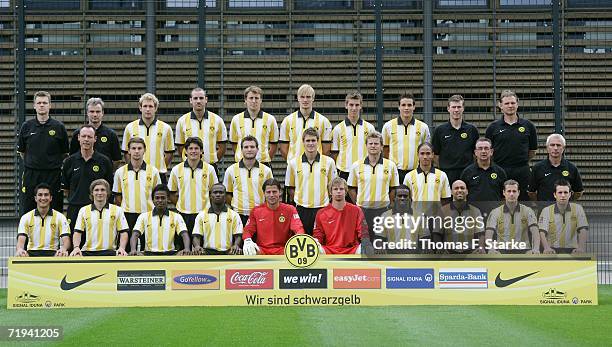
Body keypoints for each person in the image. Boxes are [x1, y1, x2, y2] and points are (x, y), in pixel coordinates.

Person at [17, 91, 69, 215]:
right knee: (29, 208)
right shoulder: (26, 126)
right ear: (34, 105)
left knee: (55, 208)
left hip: (53, 175)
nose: (42, 105)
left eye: (45, 102)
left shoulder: (59, 127)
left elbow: (64, 153)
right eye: (39, 103)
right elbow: (22, 152)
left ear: (50, 105)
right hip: (31, 174)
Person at [485, 90, 538, 201]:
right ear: (500, 106)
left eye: (513, 103)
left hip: (522, 171)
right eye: (507, 103)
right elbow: (489, 151)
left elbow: (532, 151)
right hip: (499, 170)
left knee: (524, 203)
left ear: (517, 104)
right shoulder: (492, 128)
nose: (510, 106)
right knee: (499, 202)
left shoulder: (528, 126)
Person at [113, 137, 162, 253]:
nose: (136, 151)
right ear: (128, 151)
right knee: (128, 249)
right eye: (133, 148)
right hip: (127, 215)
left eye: (139, 148)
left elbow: (158, 195)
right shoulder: (120, 172)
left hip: (148, 215)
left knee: (149, 249)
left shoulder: (153, 171)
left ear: (144, 150)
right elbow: (118, 196)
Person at [62, 124, 113, 233]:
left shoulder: (104, 161)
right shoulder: (69, 162)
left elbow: (109, 188)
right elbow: (66, 190)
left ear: (95, 139)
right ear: (78, 138)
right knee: (74, 245)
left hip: (96, 209)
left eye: (89, 137)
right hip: (75, 209)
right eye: (84, 136)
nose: (86, 139)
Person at [348, 131, 399, 240]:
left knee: (381, 242)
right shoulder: (356, 165)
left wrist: (389, 205)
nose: (373, 146)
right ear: (366, 145)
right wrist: (358, 205)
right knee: (364, 241)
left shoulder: (390, 165)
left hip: (382, 210)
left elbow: (393, 188)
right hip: (363, 210)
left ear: (381, 147)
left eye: (376, 144)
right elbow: (351, 188)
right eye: (370, 143)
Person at [285, 128, 336, 235]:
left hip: (323, 208)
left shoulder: (329, 162)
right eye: (308, 141)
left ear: (318, 141)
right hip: (302, 209)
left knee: (322, 241)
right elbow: (290, 187)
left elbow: (332, 187)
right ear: (303, 142)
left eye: (313, 140)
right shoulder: (293, 163)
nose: (311, 143)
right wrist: (301, 201)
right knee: (304, 240)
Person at [168, 136, 218, 240]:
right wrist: (180, 205)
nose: (193, 151)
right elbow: (171, 193)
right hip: (183, 215)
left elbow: (214, 192)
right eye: (190, 148)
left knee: (202, 248)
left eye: (196, 148)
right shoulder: (176, 169)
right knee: (184, 248)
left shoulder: (210, 169)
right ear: (185, 151)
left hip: (204, 214)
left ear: (201, 151)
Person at [121, 93, 174, 183]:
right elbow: (126, 153)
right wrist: (135, 167)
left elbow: (169, 153)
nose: (148, 109)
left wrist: (159, 167)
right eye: (145, 106)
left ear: (155, 108)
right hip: (136, 173)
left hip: (159, 173)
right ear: (140, 108)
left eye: (151, 106)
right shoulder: (130, 127)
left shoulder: (166, 128)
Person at [242, 179, 305, 255]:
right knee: (250, 250)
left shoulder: (290, 209)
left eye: (274, 192)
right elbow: (248, 230)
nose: (271, 195)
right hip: (262, 250)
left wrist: (299, 238)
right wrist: (247, 240)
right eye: (268, 192)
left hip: (284, 250)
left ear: (280, 192)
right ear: (264, 193)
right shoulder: (256, 211)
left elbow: (298, 228)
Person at [223, 135, 274, 227]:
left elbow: (270, 194)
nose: (249, 149)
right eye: (246, 147)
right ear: (241, 150)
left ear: (257, 149)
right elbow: (227, 194)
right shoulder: (231, 170)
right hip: (238, 215)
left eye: (252, 147)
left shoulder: (266, 170)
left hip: (260, 214)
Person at [313, 177, 373, 254]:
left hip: (352, 250)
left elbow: (363, 232)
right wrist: (316, 242)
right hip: (330, 250)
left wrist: (366, 242)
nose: (339, 191)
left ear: (346, 191)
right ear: (330, 192)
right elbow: (318, 235)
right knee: (314, 247)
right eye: (335, 189)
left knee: (368, 247)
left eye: (341, 189)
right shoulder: (321, 213)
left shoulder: (356, 210)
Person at [175, 87, 227, 175]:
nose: (198, 101)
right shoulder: (182, 121)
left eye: (201, 98)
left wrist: (212, 159)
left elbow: (222, 146)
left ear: (206, 100)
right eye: (195, 98)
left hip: (211, 167)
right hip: (190, 167)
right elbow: (180, 148)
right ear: (191, 100)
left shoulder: (217, 120)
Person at [70, 179, 129, 256]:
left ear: (107, 192)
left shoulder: (117, 210)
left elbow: (123, 232)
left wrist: (122, 248)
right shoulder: (83, 210)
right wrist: (76, 247)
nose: (99, 193)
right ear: (92, 193)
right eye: (96, 190)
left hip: (110, 252)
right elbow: (78, 232)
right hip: (88, 252)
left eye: (103, 190)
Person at [382, 92, 431, 183]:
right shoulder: (388, 126)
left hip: (416, 171)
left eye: (409, 105)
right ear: (399, 107)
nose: (406, 108)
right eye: (403, 105)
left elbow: (426, 149)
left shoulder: (423, 127)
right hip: (395, 172)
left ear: (414, 107)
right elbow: (385, 149)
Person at [130, 184, 190, 256]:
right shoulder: (143, 216)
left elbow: (184, 234)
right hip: (149, 254)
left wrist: (187, 249)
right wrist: (133, 250)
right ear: (153, 200)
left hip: (170, 254)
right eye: (157, 198)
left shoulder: (177, 217)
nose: (160, 200)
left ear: (168, 199)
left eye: (163, 198)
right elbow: (135, 234)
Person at [432, 95, 479, 184]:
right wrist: (444, 167)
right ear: (448, 109)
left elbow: (475, 153)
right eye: (453, 107)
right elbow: (435, 155)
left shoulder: (472, 129)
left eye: (459, 107)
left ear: (463, 108)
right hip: (447, 173)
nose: (456, 110)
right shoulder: (440, 130)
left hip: (467, 172)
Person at [279, 84, 332, 162]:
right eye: (302, 97)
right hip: (295, 167)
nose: (305, 100)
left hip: (316, 166)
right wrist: (293, 162)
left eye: (308, 97)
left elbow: (326, 149)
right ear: (298, 98)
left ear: (313, 98)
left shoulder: (323, 121)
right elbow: (283, 149)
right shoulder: (287, 121)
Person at [485, 180, 540, 254]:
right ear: (504, 193)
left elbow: (535, 232)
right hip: (502, 252)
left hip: (524, 251)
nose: (511, 194)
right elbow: (489, 233)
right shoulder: (495, 212)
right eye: (509, 191)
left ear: (518, 193)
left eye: (514, 191)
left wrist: (536, 249)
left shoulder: (528, 211)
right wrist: (491, 249)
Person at [15, 183, 71, 257]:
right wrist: (19, 249)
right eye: (40, 195)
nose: (43, 198)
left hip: (53, 253)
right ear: (35, 198)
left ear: (51, 198)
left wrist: (63, 248)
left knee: (63, 254)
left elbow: (66, 240)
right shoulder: (26, 217)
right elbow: (21, 241)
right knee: (20, 255)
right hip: (32, 253)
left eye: (46, 195)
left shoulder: (60, 217)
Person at [331, 92, 375, 182]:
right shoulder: (337, 129)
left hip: (364, 170)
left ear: (361, 106)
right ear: (346, 105)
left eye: (357, 105)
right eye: (351, 105)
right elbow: (334, 153)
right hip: (344, 171)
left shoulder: (370, 128)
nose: (354, 108)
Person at [229, 86, 279, 166]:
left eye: (256, 98)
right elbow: (234, 144)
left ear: (261, 100)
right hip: (241, 164)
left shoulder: (270, 119)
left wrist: (265, 158)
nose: (254, 101)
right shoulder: (236, 119)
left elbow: (274, 144)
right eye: (251, 98)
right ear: (245, 100)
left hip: (263, 164)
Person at [433, 180, 485, 254]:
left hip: (470, 253)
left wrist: (480, 247)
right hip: (449, 254)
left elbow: (480, 233)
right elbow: (437, 233)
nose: (459, 190)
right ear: (451, 192)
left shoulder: (476, 211)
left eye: (462, 188)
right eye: (456, 188)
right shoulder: (443, 210)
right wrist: (440, 248)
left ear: (467, 191)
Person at [529, 133, 583, 203]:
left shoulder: (572, 168)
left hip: (565, 211)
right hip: (544, 211)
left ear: (563, 148)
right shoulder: (537, 168)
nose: (555, 148)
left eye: (558, 145)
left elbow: (578, 192)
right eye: (552, 145)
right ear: (547, 148)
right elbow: (531, 192)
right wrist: (541, 204)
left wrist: (567, 201)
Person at [69, 97, 122, 169]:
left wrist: (106, 170)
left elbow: (117, 160)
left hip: (103, 177)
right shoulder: (78, 134)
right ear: (87, 113)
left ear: (102, 113)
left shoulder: (111, 135)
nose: (95, 114)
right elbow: (72, 157)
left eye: (98, 111)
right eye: (92, 111)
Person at [460, 137, 507, 216]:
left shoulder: (500, 172)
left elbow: (504, 196)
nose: (483, 151)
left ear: (491, 152)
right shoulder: (467, 172)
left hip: (495, 214)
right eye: (480, 148)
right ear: (475, 152)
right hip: (473, 215)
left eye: (486, 148)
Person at [539, 180, 589, 254]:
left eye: (565, 192)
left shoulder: (578, 208)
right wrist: (546, 248)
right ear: (554, 194)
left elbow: (583, 230)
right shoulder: (546, 210)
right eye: (560, 192)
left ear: (570, 194)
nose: (563, 195)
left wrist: (581, 248)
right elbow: (541, 232)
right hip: (552, 251)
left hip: (573, 251)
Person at [192, 183, 243, 255]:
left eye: (221, 192)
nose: (218, 194)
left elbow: (238, 235)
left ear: (225, 196)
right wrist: (197, 246)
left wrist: (236, 245)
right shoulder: (201, 215)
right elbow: (196, 235)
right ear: (210, 196)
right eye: (215, 192)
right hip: (207, 252)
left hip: (228, 252)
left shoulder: (234, 215)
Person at [376, 185, 423, 254]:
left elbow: (425, 237)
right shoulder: (385, 216)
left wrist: (426, 249)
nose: (402, 198)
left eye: (405, 196)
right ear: (394, 198)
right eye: (400, 196)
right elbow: (379, 237)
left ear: (410, 199)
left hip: (413, 255)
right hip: (391, 255)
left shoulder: (419, 216)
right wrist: (380, 248)